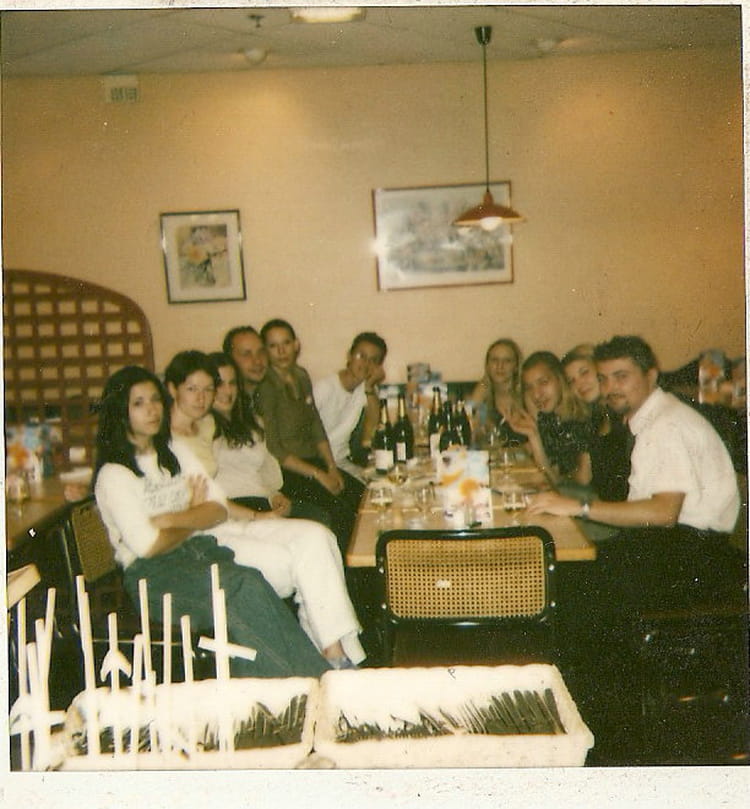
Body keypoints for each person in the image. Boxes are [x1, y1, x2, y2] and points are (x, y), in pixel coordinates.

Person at [93, 365, 330, 679]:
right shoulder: (114, 474)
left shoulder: (172, 451)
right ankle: (306, 683)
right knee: (240, 588)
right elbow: (148, 545)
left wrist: (174, 520)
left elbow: (217, 509)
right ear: (120, 412)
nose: (152, 409)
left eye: (155, 400)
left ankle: (311, 681)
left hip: (197, 554)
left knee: (252, 581)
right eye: (138, 403)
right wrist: (195, 517)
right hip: (153, 576)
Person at [163, 350, 366, 668]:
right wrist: (255, 514)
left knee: (319, 536)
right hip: (201, 536)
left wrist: (266, 505)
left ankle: (337, 653)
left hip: (231, 519)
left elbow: (222, 490)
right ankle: (328, 657)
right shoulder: (166, 441)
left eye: (208, 388)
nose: (204, 396)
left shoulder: (203, 427)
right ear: (172, 389)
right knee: (302, 565)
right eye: (193, 389)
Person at [528, 336, 742, 610]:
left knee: (564, 582)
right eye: (603, 379)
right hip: (670, 545)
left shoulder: (665, 426)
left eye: (621, 377)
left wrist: (578, 507)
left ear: (650, 376)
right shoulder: (650, 417)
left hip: (694, 558)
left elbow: (664, 513)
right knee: (559, 571)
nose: (610, 388)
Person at [256, 318, 364, 554]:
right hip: (287, 472)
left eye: (286, 343)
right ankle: (347, 573)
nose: (281, 351)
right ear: (265, 351)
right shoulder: (266, 387)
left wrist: (331, 467)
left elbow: (315, 425)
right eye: (273, 346)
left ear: (296, 345)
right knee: (340, 514)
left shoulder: (301, 376)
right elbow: (275, 447)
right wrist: (320, 475)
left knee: (363, 498)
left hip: (314, 463)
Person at [508, 351, 592, 485]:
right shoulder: (549, 418)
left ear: (560, 379)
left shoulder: (585, 418)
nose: (536, 395)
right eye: (529, 388)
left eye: (543, 382)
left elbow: (581, 482)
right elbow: (523, 453)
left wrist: (534, 437)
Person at [562, 343, 631, 502]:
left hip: (625, 511)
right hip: (605, 505)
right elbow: (583, 477)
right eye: (571, 381)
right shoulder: (596, 418)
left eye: (584, 373)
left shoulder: (626, 413)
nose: (579, 384)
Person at [313, 332, 387, 479]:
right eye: (361, 356)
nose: (366, 364)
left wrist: (370, 387)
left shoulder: (366, 389)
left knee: (380, 484)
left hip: (342, 462)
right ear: (349, 356)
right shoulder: (325, 388)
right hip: (319, 463)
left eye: (373, 360)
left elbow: (371, 430)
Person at [467, 338, 527, 446]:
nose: (500, 366)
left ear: (516, 366)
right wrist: (479, 392)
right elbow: (470, 438)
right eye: (494, 360)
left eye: (507, 361)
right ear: (487, 365)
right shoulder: (482, 395)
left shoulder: (527, 395)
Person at [222, 325, 268, 406]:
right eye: (246, 354)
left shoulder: (275, 395)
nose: (258, 361)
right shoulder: (224, 402)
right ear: (230, 359)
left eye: (261, 352)